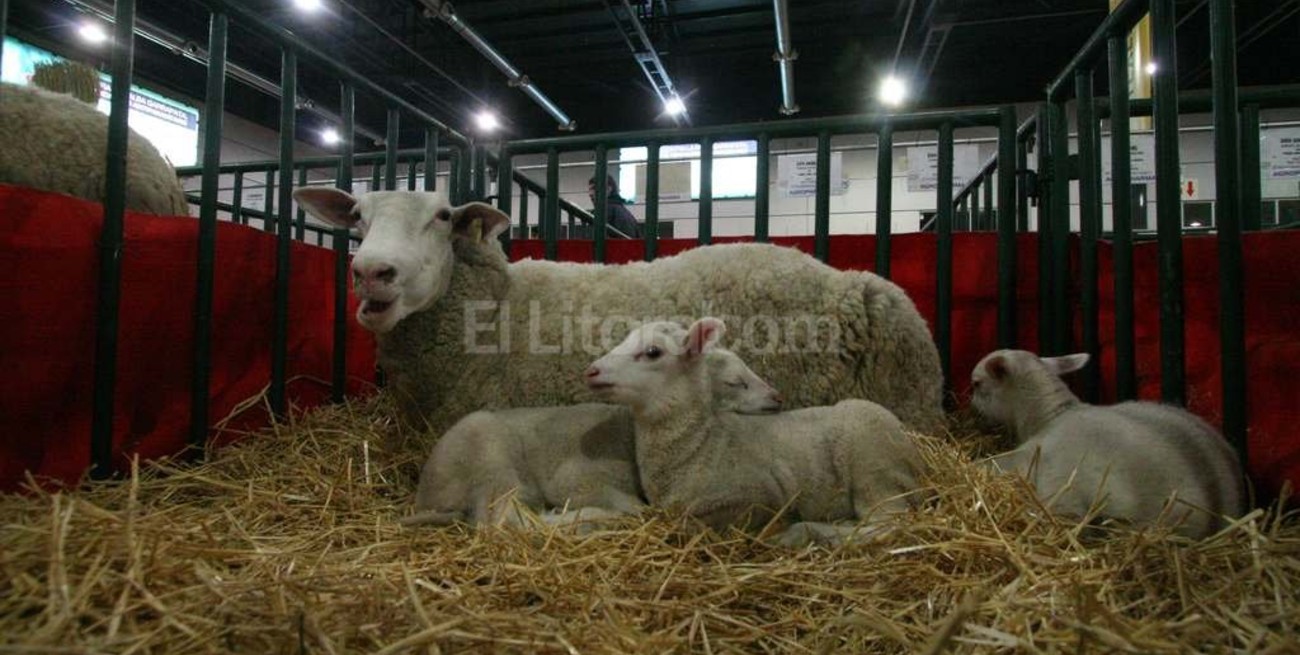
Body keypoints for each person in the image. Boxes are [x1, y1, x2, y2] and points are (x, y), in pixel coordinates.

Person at [588, 174, 641, 239]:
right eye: (589, 190)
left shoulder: (605, 211)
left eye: (594, 188)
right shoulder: (625, 212)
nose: (590, 194)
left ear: (608, 189)